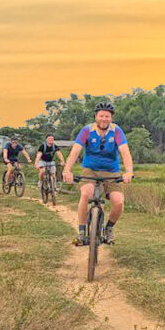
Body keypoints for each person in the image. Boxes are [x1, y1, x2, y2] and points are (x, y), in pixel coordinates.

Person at [62, 102, 134, 246]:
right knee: (86, 194)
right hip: (90, 169)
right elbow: (75, 151)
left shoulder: (117, 131)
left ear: (111, 118)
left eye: (107, 116)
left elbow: (125, 152)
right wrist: (67, 170)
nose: (104, 119)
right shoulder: (87, 130)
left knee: (118, 201)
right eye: (101, 115)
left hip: (111, 171)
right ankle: (82, 232)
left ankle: (108, 230)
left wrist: (128, 172)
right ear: (96, 116)